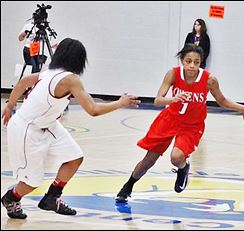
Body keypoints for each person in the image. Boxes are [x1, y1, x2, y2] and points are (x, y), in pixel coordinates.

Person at [1, 38, 140, 219]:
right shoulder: (70, 79)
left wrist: (10, 105)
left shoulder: (48, 73)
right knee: (31, 182)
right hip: (27, 128)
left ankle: (52, 197)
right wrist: (120, 102)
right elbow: (93, 110)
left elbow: (22, 83)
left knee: (74, 157)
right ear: (79, 60)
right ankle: (11, 198)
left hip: (47, 124)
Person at [115, 44, 244, 203]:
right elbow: (157, 100)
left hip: (192, 125)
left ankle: (183, 168)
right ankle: (128, 187)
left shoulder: (209, 80)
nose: (192, 65)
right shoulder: (173, 74)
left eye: (196, 62)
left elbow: (222, 101)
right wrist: (172, 99)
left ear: (200, 63)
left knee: (176, 157)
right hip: (169, 119)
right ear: (182, 60)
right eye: (188, 61)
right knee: (148, 160)